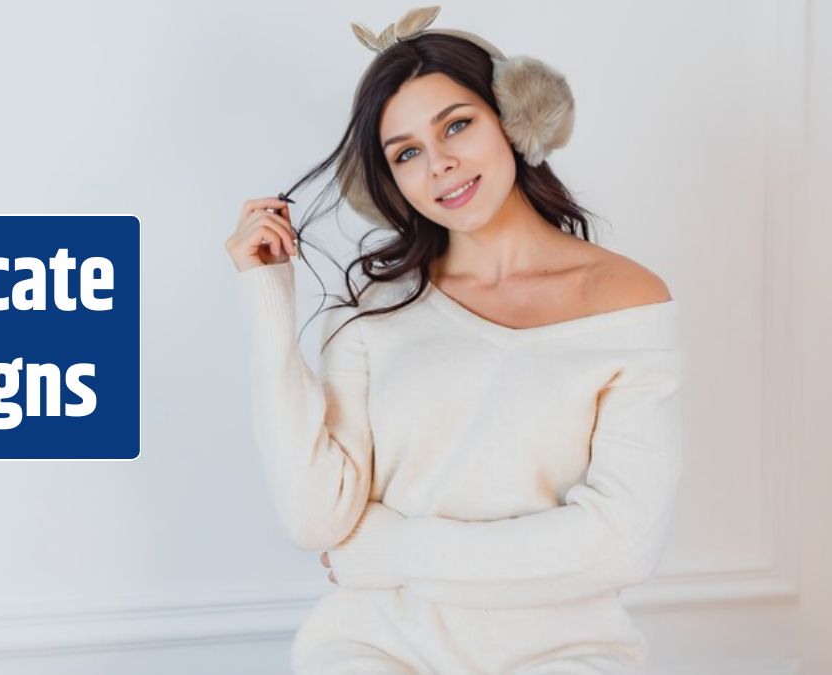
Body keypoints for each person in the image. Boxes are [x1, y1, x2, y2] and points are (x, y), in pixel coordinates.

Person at [223, 6, 685, 674]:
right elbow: (316, 520)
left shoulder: (627, 301)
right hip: (375, 648)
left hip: (568, 654)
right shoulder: (372, 311)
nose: (439, 165)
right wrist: (268, 297)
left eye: (457, 125)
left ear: (515, 117)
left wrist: (389, 549)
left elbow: (624, 543)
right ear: (391, 182)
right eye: (407, 153)